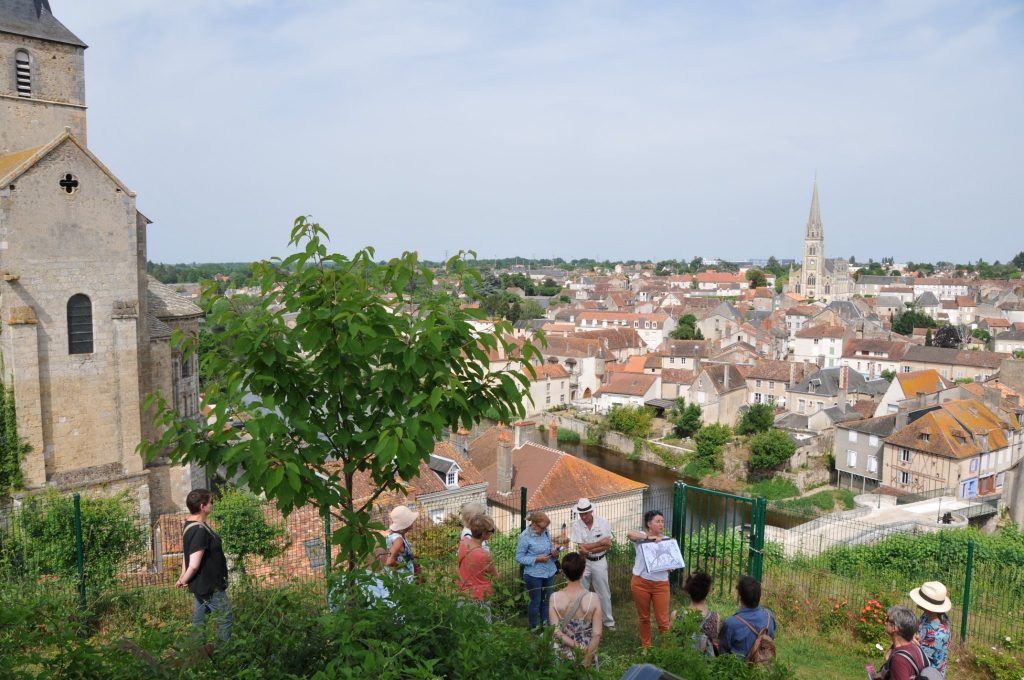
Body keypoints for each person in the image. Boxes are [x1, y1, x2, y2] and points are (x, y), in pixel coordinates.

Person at [176, 489, 233, 642]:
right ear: (202, 506)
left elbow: (186, 553)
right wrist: (183, 579)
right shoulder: (199, 530)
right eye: (210, 502)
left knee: (200, 622)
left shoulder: (193, 524)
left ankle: (196, 654)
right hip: (209, 586)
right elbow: (194, 564)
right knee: (225, 618)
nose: (212, 505)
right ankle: (225, 656)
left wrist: (183, 575)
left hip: (202, 585)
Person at [626, 510, 676, 650]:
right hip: (641, 583)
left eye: (662, 521)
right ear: (649, 524)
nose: (661, 524)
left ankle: (666, 649)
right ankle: (646, 647)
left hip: (661, 585)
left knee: (663, 620)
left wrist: (670, 566)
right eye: (658, 521)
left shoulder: (666, 541)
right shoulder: (642, 537)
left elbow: (671, 562)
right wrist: (650, 538)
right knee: (644, 617)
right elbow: (630, 534)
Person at [550, 552, 603, 669]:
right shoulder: (593, 598)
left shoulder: (554, 598)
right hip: (587, 647)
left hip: (562, 650)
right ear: (583, 571)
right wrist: (587, 654)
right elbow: (597, 633)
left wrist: (576, 647)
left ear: (563, 572)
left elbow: (556, 632)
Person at [570, 498, 616, 631]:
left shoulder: (602, 522)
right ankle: (585, 621)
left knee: (603, 591)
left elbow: (606, 545)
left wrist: (589, 548)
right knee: (582, 592)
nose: (583, 517)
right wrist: (598, 543)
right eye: (581, 514)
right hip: (584, 561)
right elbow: (581, 548)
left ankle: (608, 621)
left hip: (600, 561)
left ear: (591, 511)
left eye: (586, 513)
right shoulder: (576, 525)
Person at [516, 511, 560, 630]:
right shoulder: (525, 537)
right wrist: (537, 559)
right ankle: (533, 627)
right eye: (542, 527)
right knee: (536, 601)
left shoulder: (545, 532)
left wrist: (555, 553)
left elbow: (549, 548)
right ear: (534, 524)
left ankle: (545, 626)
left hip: (549, 571)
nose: (545, 530)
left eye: (546, 527)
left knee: (547, 600)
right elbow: (519, 557)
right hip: (533, 575)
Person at [719, 575, 775, 659]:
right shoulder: (769, 616)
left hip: (738, 670)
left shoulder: (731, 624)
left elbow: (722, 654)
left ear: (740, 597)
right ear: (759, 596)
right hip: (763, 668)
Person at [458, 513, 498, 621]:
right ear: (484, 534)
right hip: (480, 596)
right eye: (491, 531)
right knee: (484, 628)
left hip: (463, 594)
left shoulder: (463, 543)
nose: (492, 533)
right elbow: (496, 577)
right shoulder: (485, 555)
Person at [910, 581, 951, 677]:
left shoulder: (937, 635)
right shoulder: (929, 616)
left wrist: (909, 641)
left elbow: (921, 659)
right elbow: (919, 630)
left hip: (927, 675)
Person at [880, 605, 928, 680]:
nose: (885, 622)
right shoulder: (916, 647)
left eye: (887, 620)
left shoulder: (899, 660)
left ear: (894, 628)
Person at [683, 571, 719, 656]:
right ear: (709, 590)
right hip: (705, 666)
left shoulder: (677, 615)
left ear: (688, 589)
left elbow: (672, 647)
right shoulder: (715, 617)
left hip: (682, 664)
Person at [385, 505, 419, 578]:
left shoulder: (395, 535)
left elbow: (400, 555)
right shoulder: (398, 540)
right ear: (406, 524)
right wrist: (405, 565)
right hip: (403, 579)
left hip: (401, 577)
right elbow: (389, 561)